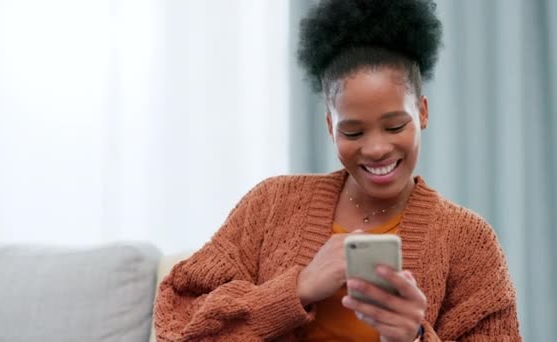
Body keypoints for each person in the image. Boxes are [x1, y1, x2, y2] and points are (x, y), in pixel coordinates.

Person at [153, 0, 521, 341]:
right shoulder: (270, 206)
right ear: (330, 126)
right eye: (353, 131)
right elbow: (176, 320)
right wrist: (297, 289)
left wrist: (414, 337)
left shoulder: (469, 241)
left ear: (422, 112)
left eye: (394, 126)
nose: (376, 148)